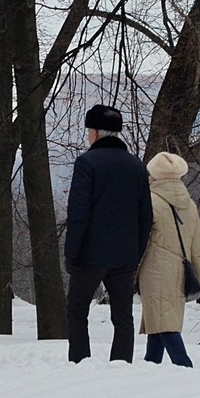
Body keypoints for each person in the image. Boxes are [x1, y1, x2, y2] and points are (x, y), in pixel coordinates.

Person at [64, 104, 153, 363]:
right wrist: (134, 252)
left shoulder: (87, 163)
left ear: (96, 133)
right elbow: (145, 216)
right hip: (124, 256)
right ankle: (121, 366)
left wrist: (72, 253)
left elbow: (79, 214)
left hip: (90, 256)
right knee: (123, 317)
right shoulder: (136, 167)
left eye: (89, 131)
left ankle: (81, 363)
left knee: (77, 311)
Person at [137, 151, 200, 368]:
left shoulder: (150, 202)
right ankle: (151, 365)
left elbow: (140, 242)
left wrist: (128, 272)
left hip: (154, 273)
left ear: (155, 176)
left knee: (165, 326)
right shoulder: (190, 205)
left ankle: (185, 366)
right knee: (159, 321)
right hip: (180, 273)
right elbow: (197, 248)